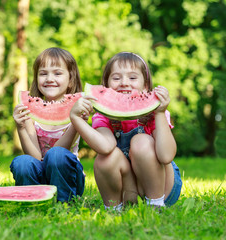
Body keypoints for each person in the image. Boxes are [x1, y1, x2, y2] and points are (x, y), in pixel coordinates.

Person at [70, 52, 182, 211]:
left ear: (146, 86)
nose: (124, 83)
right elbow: (105, 147)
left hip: (163, 187)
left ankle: (156, 205)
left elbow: (166, 156)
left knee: (141, 141)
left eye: (132, 78)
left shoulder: (154, 113)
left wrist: (159, 113)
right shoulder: (103, 117)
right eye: (116, 78)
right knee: (105, 158)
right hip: (130, 189)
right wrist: (76, 119)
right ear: (106, 86)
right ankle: (114, 209)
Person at [10, 47, 85, 202]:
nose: (49, 78)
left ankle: (64, 204)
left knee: (56, 154)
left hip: (69, 177)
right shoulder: (30, 111)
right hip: (40, 175)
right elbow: (36, 157)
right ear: (37, 79)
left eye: (57, 73)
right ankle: (32, 202)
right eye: (43, 73)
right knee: (22, 162)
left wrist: (76, 121)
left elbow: (60, 152)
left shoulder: (76, 111)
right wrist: (21, 128)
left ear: (70, 79)